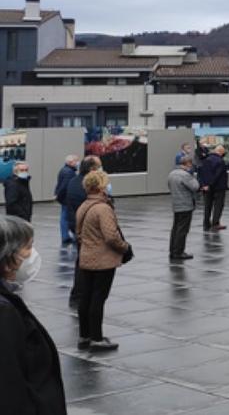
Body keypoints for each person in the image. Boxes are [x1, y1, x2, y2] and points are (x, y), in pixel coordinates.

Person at [1, 216, 68, 414]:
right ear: (7, 257)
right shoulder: (4, 313)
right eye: (28, 247)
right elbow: (9, 386)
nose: (32, 254)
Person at [75, 170, 130, 351]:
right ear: (100, 187)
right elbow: (111, 237)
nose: (108, 187)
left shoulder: (84, 206)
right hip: (103, 260)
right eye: (106, 184)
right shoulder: (103, 208)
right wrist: (125, 247)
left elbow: (79, 233)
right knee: (98, 298)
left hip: (86, 257)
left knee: (86, 297)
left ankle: (84, 336)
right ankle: (97, 339)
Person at [64, 156, 101, 310]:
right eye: (98, 167)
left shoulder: (74, 181)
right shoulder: (86, 185)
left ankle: (79, 295)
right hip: (87, 228)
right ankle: (80, 296)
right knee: (85, 263)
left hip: (77, 226)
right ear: (92, 169)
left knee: (82, 261)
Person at [167, 153, 198, 262]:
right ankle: (179, 252)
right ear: (188, 164)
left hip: (176, 204)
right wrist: (193, 176)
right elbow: (195, 186)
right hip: (185, 205)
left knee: (175, 229)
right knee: (183, 230)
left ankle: (173, 250)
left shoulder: (172, 174)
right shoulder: (185, 175)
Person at [199, 145, 229, 232]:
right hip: (218, 187)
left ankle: (206, 223)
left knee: (207, 206)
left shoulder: (205, 160)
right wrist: (210, 184)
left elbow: (200, 174)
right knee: (218, 205)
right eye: (223, 153)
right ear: (221, 152)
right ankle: (215, 223)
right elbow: (217, 175)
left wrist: (204, 185)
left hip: (206, 188)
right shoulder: (220, 161)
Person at [53, 155, 80, 246]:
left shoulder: (64, 170)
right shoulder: (69, 172)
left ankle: (65, 236)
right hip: (67, 198)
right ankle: (66, 236)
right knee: (67, 217)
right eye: (76, 161)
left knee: (64, 216)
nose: (77, 163)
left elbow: (59, 184)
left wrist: (57, 194)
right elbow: (64, 186)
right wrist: (59, 196)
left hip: (64, 198)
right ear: (70, 162)